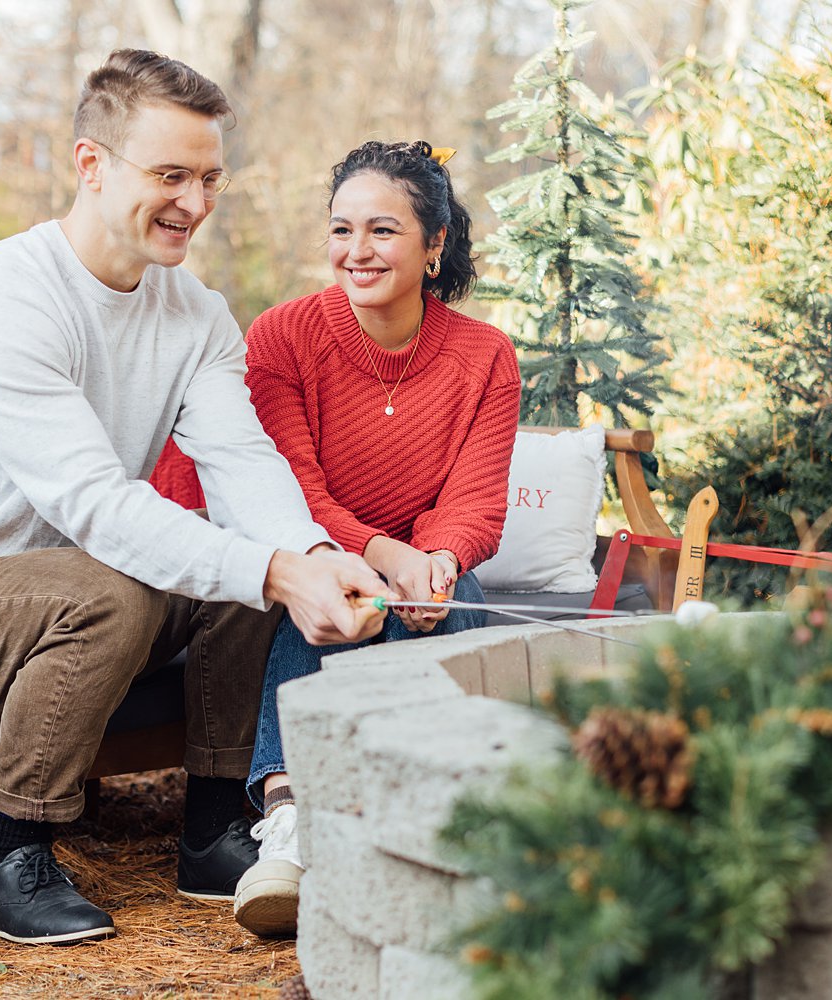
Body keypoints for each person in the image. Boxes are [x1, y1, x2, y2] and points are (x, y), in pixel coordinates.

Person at [0, 49, 390, 946]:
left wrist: (315, 560)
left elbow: (243, 465)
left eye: (210, 177)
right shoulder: (0, 299)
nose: (195, 201)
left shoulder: (197, 313)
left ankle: (218, 831)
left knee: (258, 560)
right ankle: (6, 857)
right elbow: (96, 507)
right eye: (170, 174)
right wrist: (274, 566)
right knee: (132, 580)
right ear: (90, 164)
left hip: (83, 592)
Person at [235, 140, 521, 936]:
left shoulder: (486, 356)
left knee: (454, 608)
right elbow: (291, 492)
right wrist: (380, 557)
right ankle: (288, 828)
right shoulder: (284, 336)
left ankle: (440, 825)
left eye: (383, 231)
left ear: (435, 246)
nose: (356, 252)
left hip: (421, 562)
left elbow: (474, 502)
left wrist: (437, 558)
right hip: (313, 548)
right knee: (333, 602)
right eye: (341, 230)